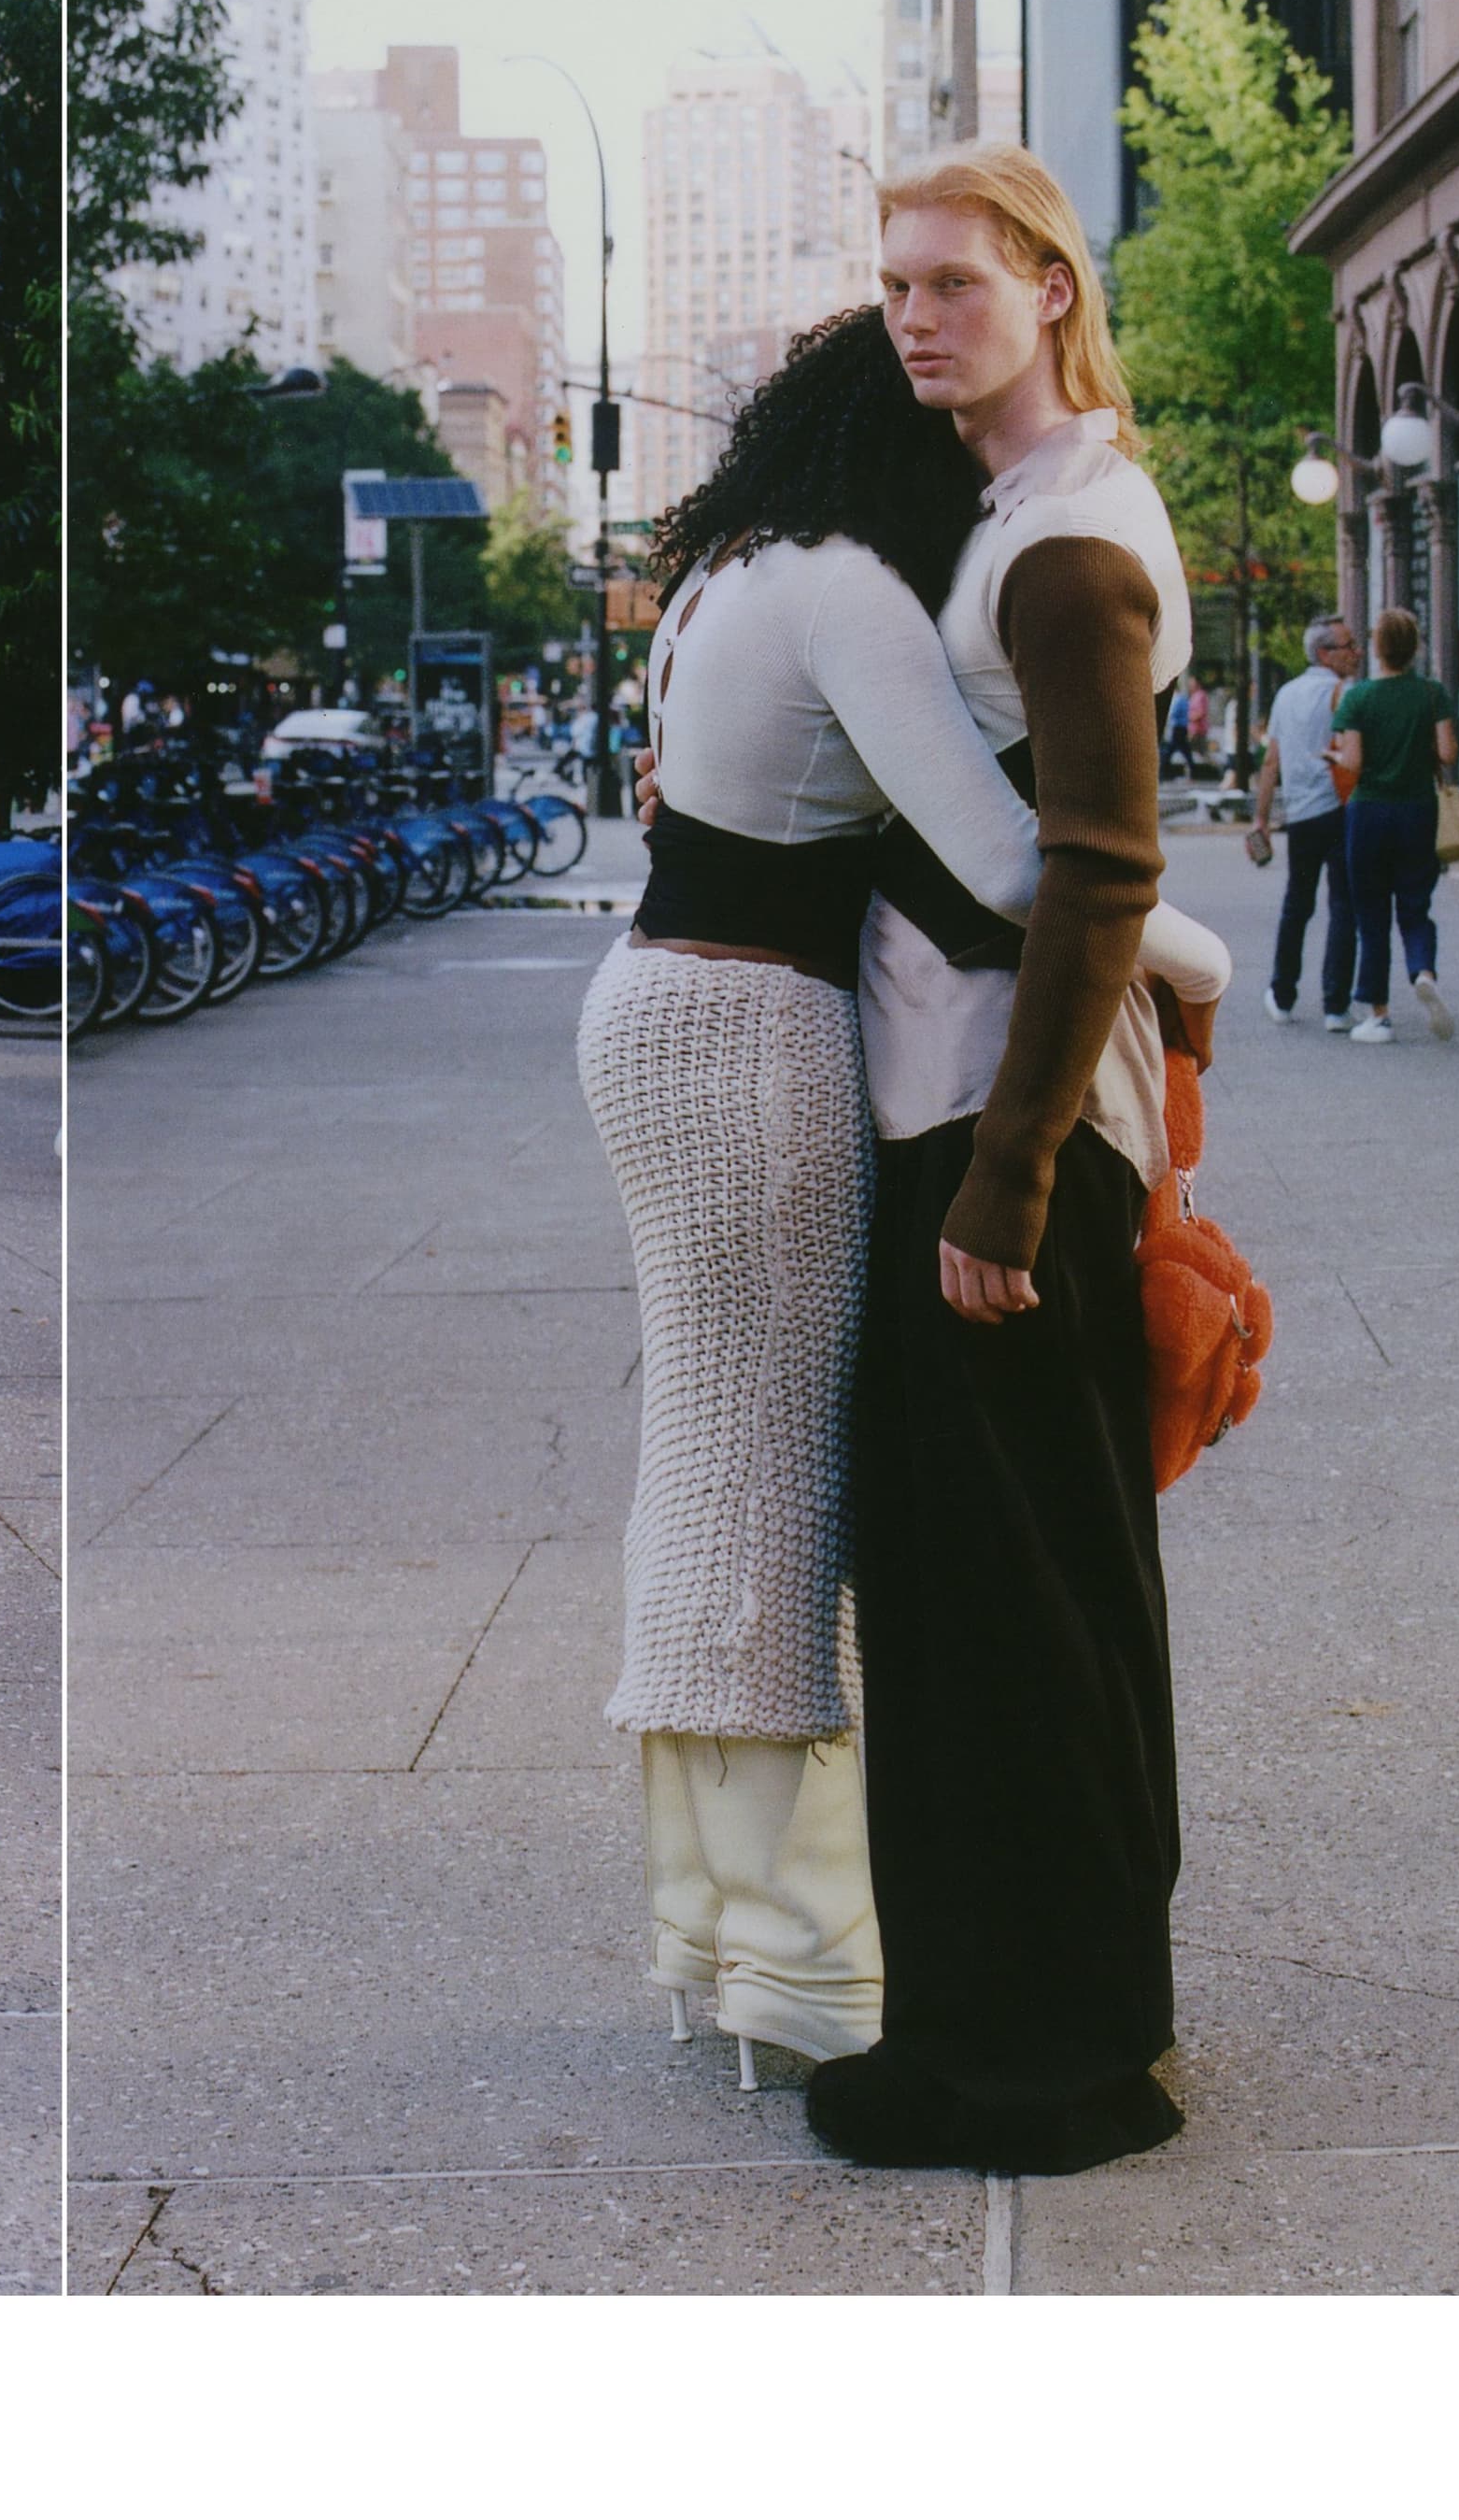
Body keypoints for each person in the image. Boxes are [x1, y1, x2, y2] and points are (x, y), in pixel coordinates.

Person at [588, 306, 1227, 2088]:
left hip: (658, 1013)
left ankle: (718, 1929)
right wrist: (1200, 960)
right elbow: (1029, 864)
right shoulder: (855, 591)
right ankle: (791, 1959)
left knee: (713, 1461)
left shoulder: (730, 568)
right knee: (775, 1485)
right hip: (752, 1033)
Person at [820, 144, 1220, 2176]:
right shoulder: (1010, 514)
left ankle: (1056, 2061)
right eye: (895, 283)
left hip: (1009, 1127)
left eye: (956, 282)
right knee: (986, 1593)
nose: (915, 314)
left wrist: (1009, 1177)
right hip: (976, 1107)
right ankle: (991, 2026)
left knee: (1020, 1598)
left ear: (1050, 287)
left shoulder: (1071, 541)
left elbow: (1105, 869)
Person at [1326, 609, 1459, 1044]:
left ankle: (1378, 1013)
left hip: (1368, 814)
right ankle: (1422, 969)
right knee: (1415, 904)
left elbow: (1354, 762)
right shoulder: (1431, 693)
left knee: (1371, 913)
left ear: (1377, 648)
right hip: (1418, 809)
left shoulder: (1357, 698)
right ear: (1414, 647)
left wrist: (1334, 758)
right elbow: (1447, 752)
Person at [1252, 616, 1361, 1028]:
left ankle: (1282, 994)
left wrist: (1261, 817)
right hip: (1340, 810)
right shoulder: (1344, 693)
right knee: (1342, 905)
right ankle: (1336, 1005)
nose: (1356, 653)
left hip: (1300, 816)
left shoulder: (1285, 695)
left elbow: (1271, 761)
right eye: (1347, 646)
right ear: (1323, 654)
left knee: (1297, 904)